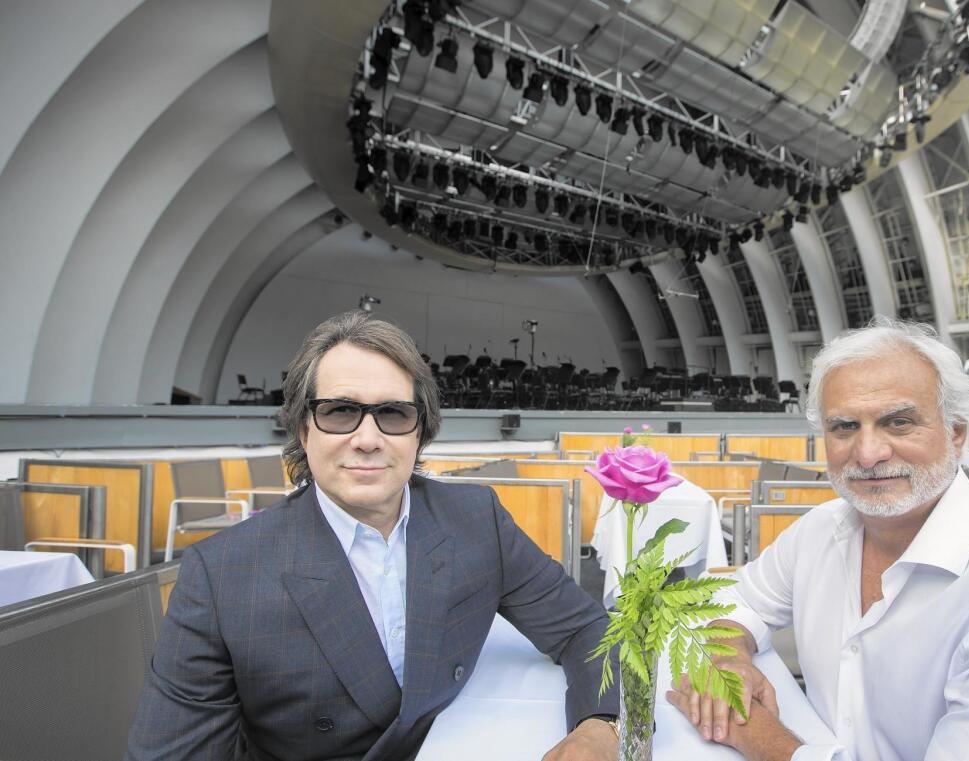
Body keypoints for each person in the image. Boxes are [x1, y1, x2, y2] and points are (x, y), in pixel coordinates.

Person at [127, 311, 618, 761]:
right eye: (340, 412)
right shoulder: (220, 577)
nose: (367, 438)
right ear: (303, 429)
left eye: (394, 414)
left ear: (419, 431)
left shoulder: (475, 519)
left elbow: (583, 628)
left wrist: (598, 726)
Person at [667, 318, 969, 761]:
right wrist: (728, 660)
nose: (868, 454)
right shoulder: (821, 529)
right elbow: (737, 604)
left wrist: (752, 731)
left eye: (899, 423)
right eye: (844, 427)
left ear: (956, 433)